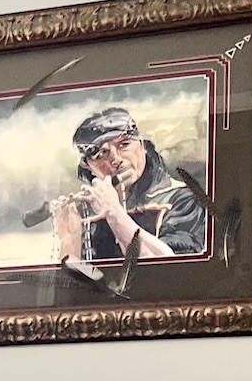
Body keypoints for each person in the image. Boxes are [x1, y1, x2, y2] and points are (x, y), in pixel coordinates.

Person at [51, 106, 207, 266]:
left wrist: (114, 213)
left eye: (124, 145)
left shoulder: (182, 199)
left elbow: (171, 271)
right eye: (101, 154)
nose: (116, 159)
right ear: (88, 166)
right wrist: (70, 241)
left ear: (142, 145)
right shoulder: (88, 212)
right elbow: (93, 280)